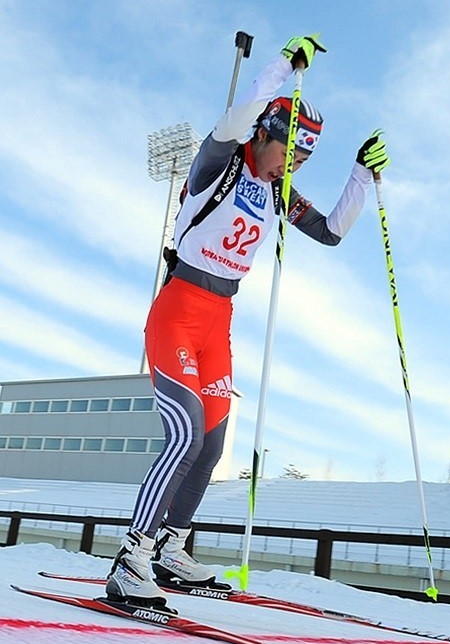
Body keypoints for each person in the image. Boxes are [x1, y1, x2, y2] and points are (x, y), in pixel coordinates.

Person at [106, 34, 390, 607]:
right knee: (184, 432)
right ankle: (130, 559)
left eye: (302, 161)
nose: (292, 166)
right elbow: (238, 115)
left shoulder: (277, 190)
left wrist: (362, 176)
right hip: (178, 310)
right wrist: (284, 66)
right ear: (263, 134)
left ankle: (170, 549)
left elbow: (331, 232)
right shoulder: (220, 161)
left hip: (219, 322)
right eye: (289, 153)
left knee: (211, 444)